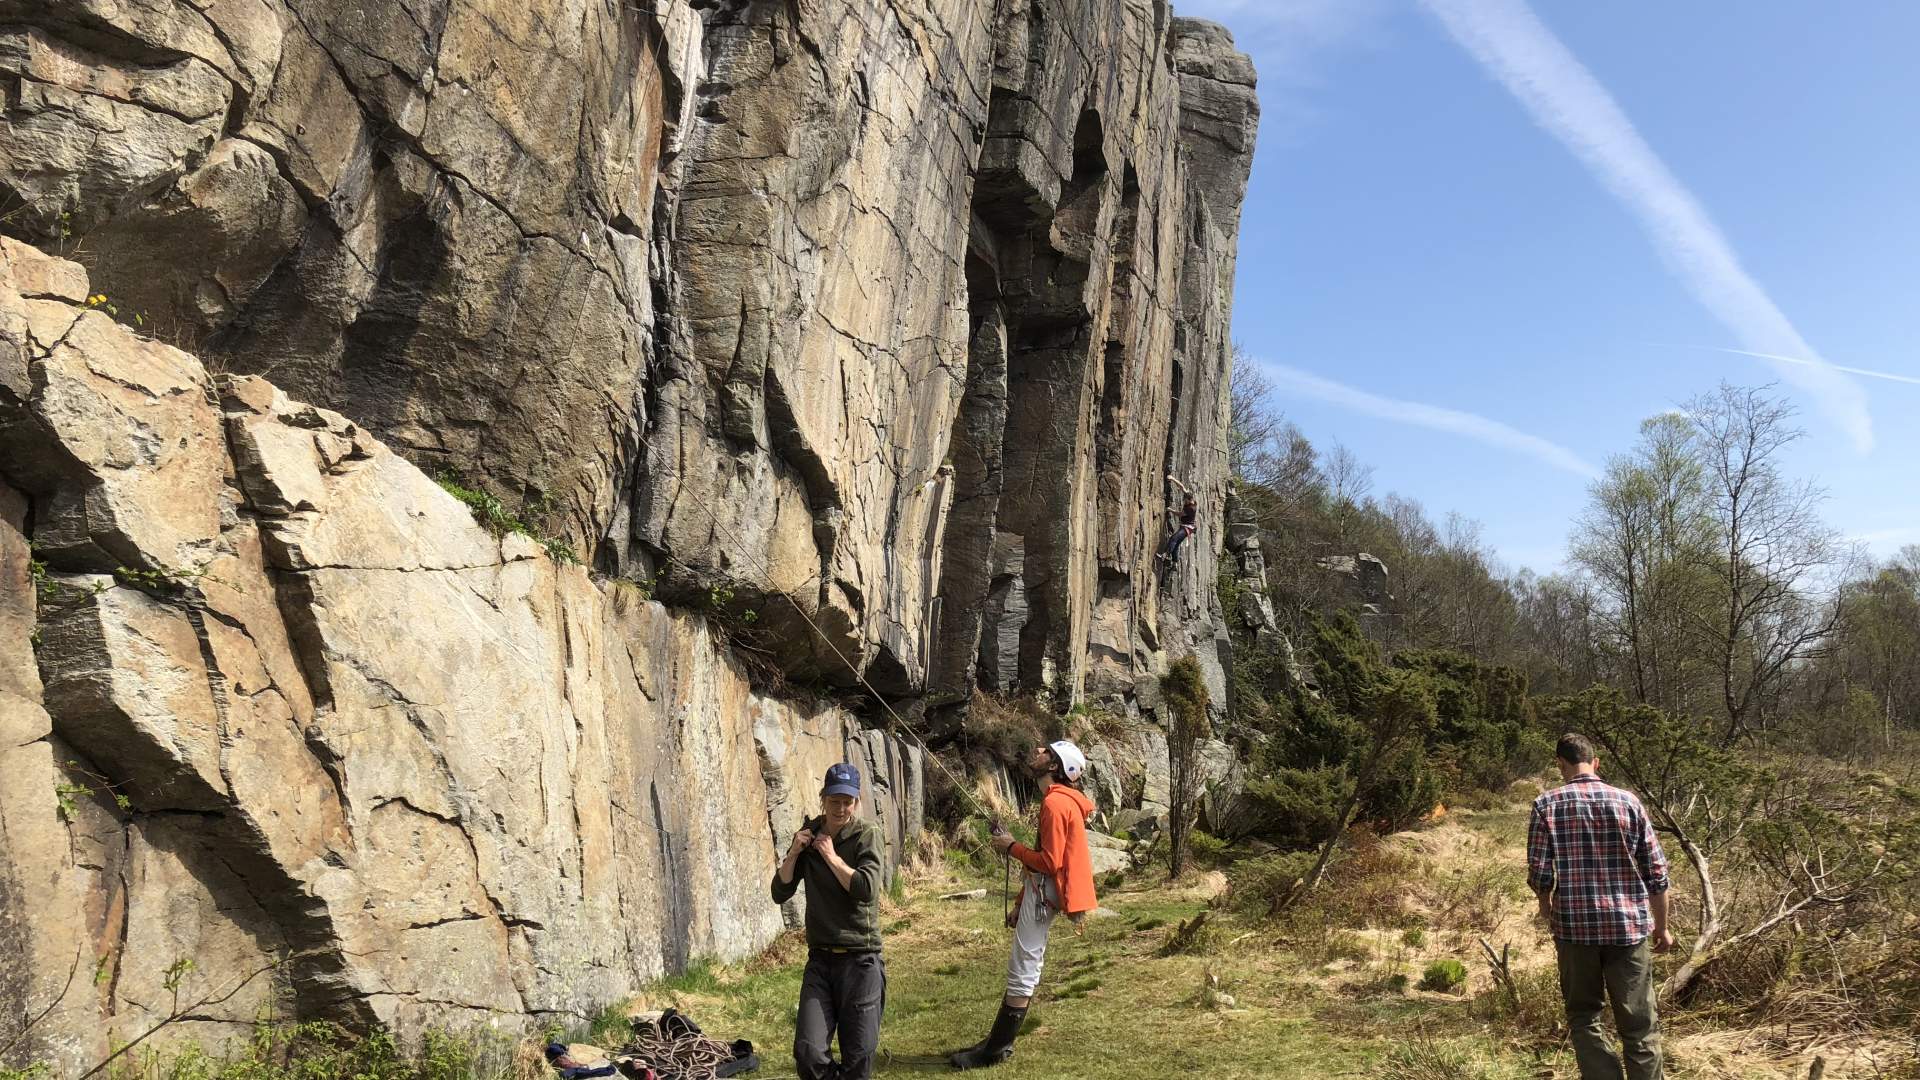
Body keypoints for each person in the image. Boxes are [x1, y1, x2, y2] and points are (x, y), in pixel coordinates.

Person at [1528, 733, 1673, 1080]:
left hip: (1575, 928)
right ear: (1596, 763)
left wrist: (1546, 907)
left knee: (1584, 1016)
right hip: (1628, 927)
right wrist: (1662, 926)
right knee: (1639, 1023)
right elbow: (1656, 872)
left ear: (1560, 764)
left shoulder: (1546, 805)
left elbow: (1540, 872)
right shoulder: (1628, 802)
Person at [950, 741, 1097, 1070]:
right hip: (1041, 891)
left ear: (1054, 767)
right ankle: (994, 1043)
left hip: (1045, 891)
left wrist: (1010, 846)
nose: (1039, 749)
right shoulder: (1057, 801)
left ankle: (994, 1050)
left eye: (1047, 751)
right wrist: (1020, 901)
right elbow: (1044, 861)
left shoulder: (1056, 805)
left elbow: (1048, 861)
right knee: (1026, 963)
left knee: (1024, 966)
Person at [772, 763, 887, 1080]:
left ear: (856, 801)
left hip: (861, 959)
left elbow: (865, 889)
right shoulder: (808, 835)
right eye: (834, 800)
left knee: (859, 1058)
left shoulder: (867, 834)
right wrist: (795, 853)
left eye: (847, 801)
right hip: (820, 960)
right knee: (808, 1053)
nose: (840, 808)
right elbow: (780, 891)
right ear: (823, 798)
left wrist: (832, 857)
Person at [1160, 475, 1198, 565]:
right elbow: (1182, 486)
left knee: (1174, 538)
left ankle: (1165, 555)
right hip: (1186, 526)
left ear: (1189, 500)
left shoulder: (1191, 508)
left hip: (1187, 528)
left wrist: (1170, 510)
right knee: (1176, 545)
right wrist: (1172, 478)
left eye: (1185, 500)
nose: (1184, 501)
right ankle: (1175, 563)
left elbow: (1179, 514)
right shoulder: (1190, 497)